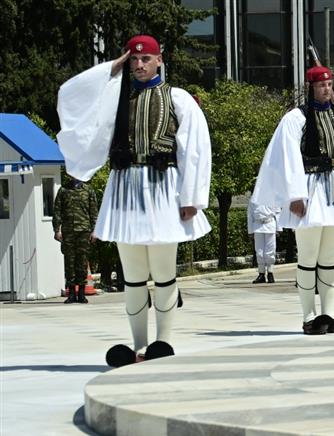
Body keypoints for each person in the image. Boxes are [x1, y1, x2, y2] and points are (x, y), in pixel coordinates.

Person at [56, 34, 213, 366]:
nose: (139, 65)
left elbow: (195, 150)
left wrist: (192, 197)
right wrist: (111, 69)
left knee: (163, 271)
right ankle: (139, 345)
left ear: (159, 60)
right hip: (125, 189)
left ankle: (163, 343)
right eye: (133, 60)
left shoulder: (177, 97)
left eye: (145, 59)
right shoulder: (115, 97)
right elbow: (72, 96)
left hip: (163, 189)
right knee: (134, 274)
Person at [251, 64, 334, 335]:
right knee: (308, 258)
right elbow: (287, 157)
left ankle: (328, 315)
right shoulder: (296, 118)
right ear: (311, 87)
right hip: (310, 189)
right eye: (321, 85)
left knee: (329, 258)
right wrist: (294, 194)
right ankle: (308, 317)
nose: (326, 89)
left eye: (329, 85)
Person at [53, 175, 98, 304]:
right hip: (68, 231)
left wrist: (95, 231)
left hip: (84, 231)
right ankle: (72, 293)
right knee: (69, 262)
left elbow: (94, 211)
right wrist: (57, 229)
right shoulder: (64, 190)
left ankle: (82, 293)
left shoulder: (88, 190)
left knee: (82, 262)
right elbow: (57, 210)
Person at [247, 201, 281, 284]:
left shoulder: (272, 197)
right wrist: (250, 231)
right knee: (259, 251)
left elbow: (278, 213)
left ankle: (270, 272)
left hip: (269, 224)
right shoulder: (253, 199)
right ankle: (261, 274)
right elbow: (250, 214)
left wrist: (278, 228)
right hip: (258, 226)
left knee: (270, 250)